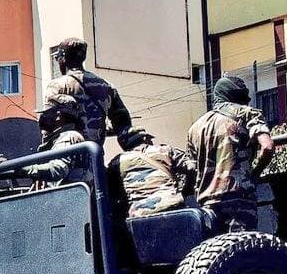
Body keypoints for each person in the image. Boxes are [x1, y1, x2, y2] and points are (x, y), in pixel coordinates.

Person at [187, 75, 275, 232]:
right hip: (238, 201)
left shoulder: (195, 128)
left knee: (219, 254)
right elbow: (267, 147)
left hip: (207, 205)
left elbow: (191, 170)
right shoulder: (245, 113)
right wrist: (254, 175)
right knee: (244, 253)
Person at [45, 37, 133, 146]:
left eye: (57, 58)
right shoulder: (106, 86)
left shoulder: (56, 86)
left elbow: (47, 128)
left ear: (63, 58)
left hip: (67, 156)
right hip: (95, 156)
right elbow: (123, 124)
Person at [0, 93, 89, 187]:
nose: (41, 119)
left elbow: (57, 169)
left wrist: (17, 167)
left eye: (45, 114)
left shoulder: (68, 137)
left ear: (58, 116)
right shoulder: (59, 139)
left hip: (69, 199)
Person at [108, 127, 195, 219]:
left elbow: (112, 192)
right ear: (145, 139)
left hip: (139, 215)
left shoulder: (117, 162)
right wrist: (186, 191)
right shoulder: (164, 150)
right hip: (172, 205)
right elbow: (192, 168)